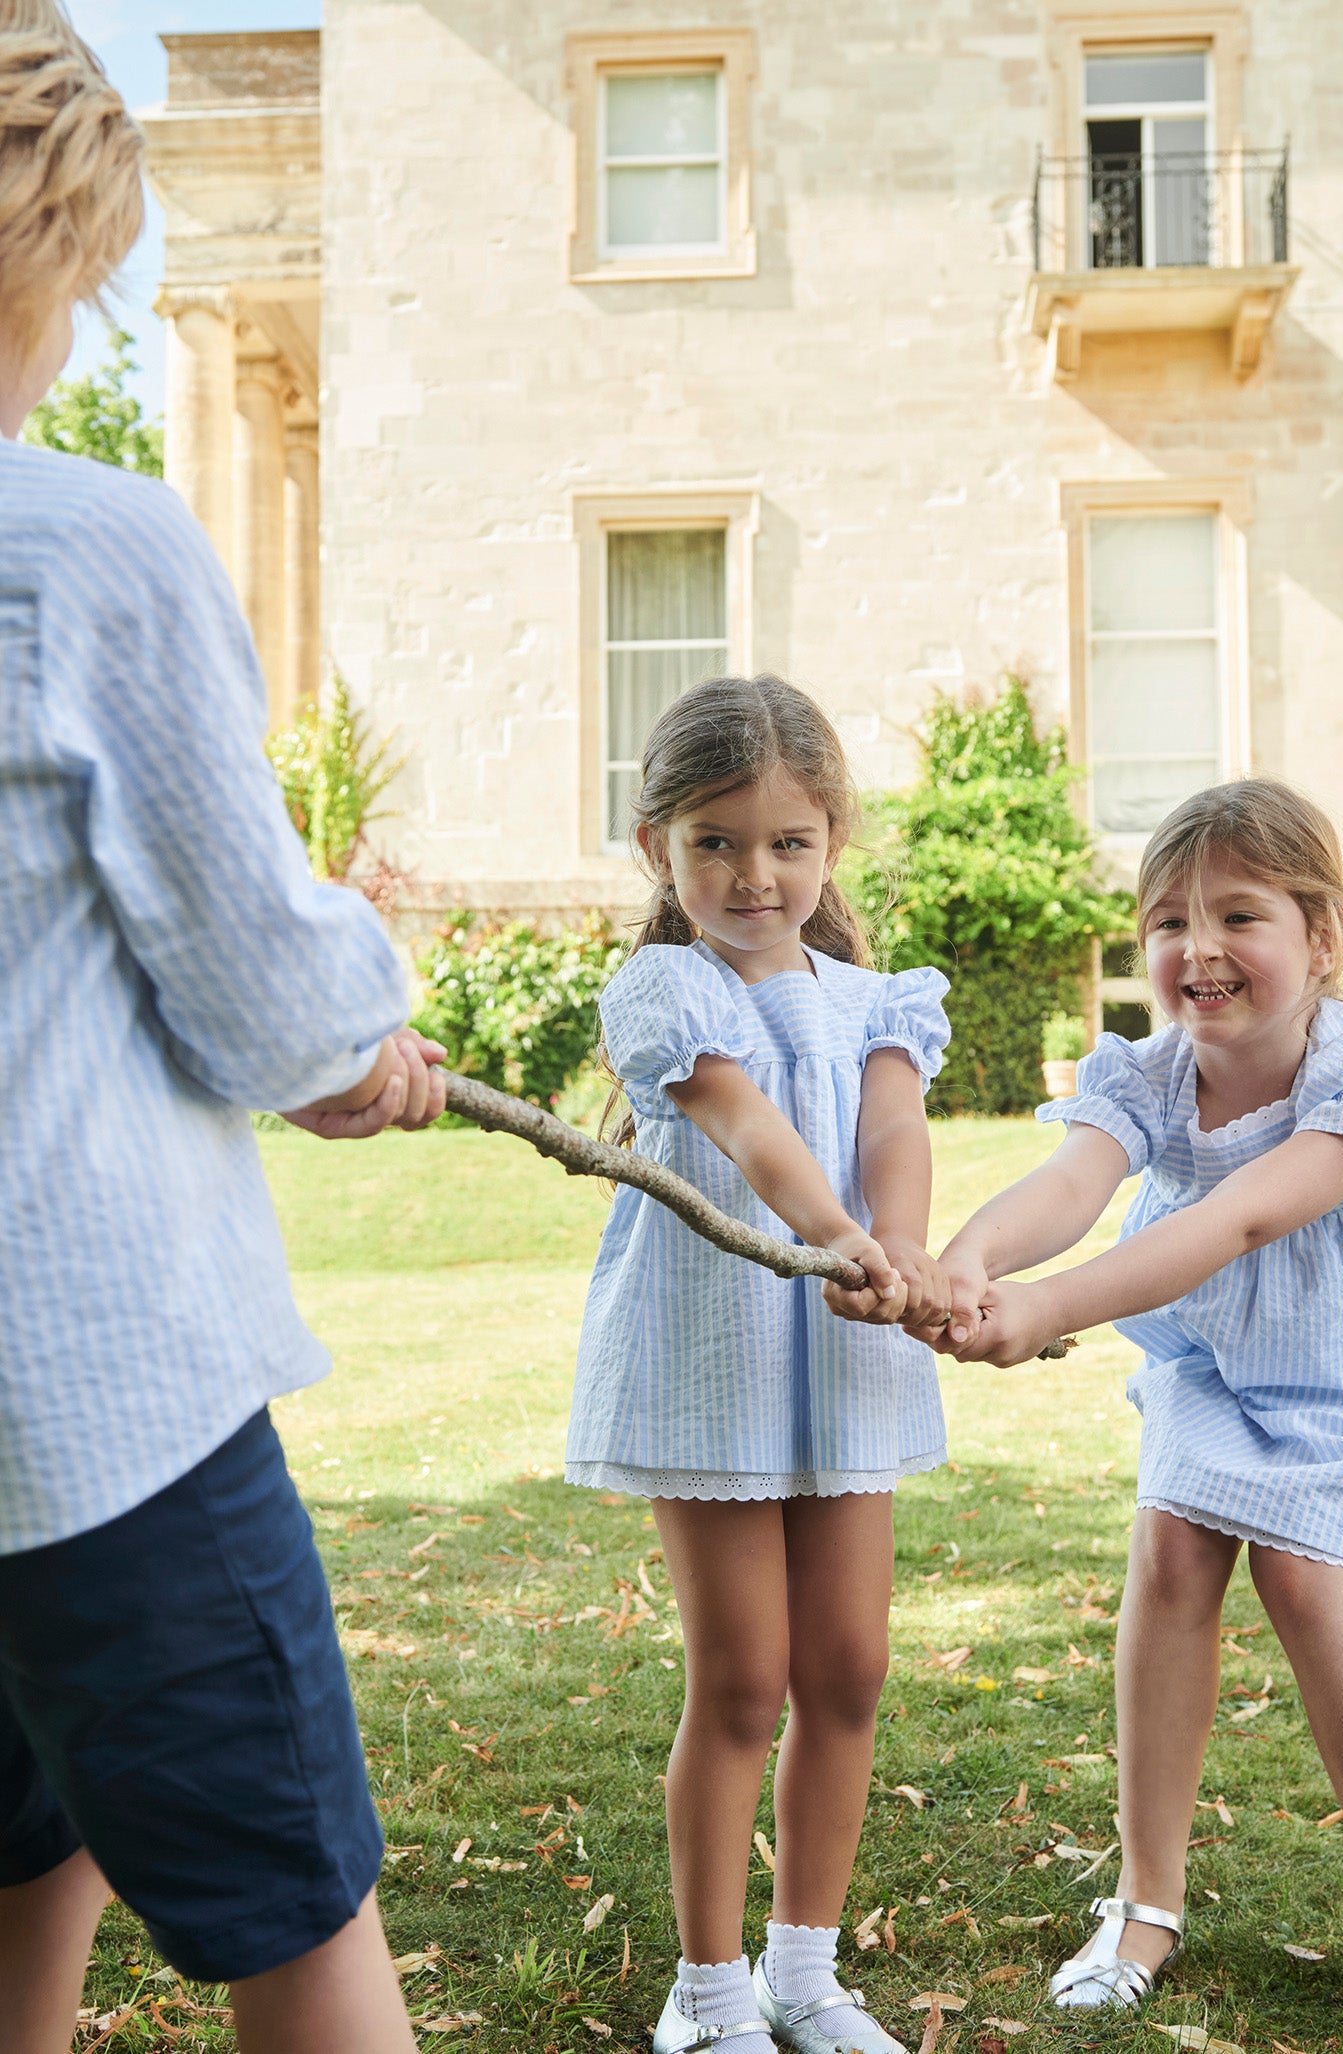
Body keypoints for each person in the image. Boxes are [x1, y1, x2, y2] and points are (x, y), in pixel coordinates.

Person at [0, 7, 445, 2049]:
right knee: (295, 1907)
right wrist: (362, 1025)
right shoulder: (80, 548)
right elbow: (268, 991)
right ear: (61, 237)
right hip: (86, 1397)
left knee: (25, 1838)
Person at [932, 778, 1343, 2054]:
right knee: (1173, 1545)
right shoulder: (1153, 1071)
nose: (1195, 948)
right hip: (1220, 1354)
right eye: (1166, 921)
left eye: (1237, 915)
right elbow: (1070, 1180)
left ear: (1323, 939)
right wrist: (971, 1260)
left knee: (1308, 1579)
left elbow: (1236, 1219)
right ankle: (1146, 1898)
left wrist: (1042, 1311)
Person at [567, 674, 951, 2054]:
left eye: (788, 841)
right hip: (716, 1351)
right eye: (716, 841)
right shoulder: (662, 983)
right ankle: (710, 1986)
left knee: (846, 1666)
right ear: (657, 848)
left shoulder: (878, 997)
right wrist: (840, 1233)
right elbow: (747, 1130)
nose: (753, 872)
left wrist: (894, 1251)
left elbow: (895, 1131)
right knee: (742, 1676)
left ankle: (806, 1971)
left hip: (852, 1351)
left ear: (834, 838)